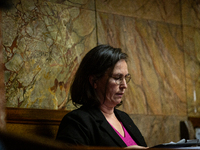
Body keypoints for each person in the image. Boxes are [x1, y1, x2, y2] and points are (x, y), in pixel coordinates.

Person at [56, 45, 148, 148]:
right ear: (94, 81)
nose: (124, 85)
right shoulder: (77, 121)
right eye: (117, 78)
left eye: (126, 78)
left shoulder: (124, 118)